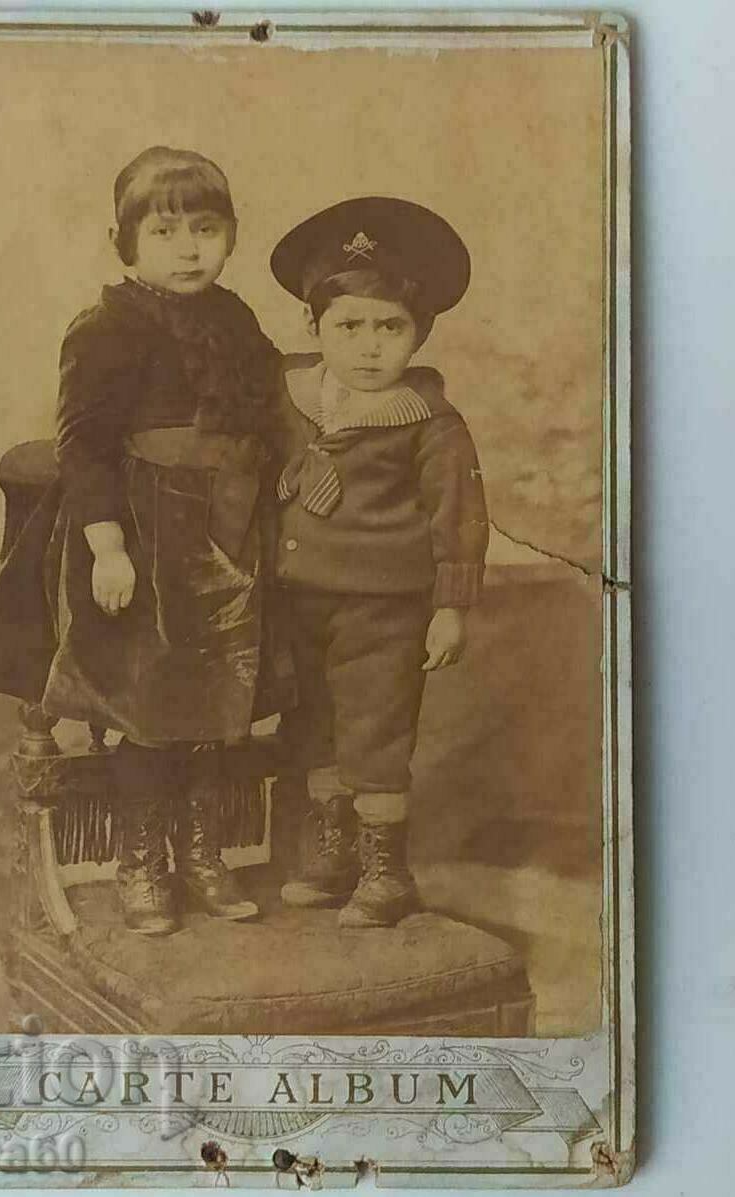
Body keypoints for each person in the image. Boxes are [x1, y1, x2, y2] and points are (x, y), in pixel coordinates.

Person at [0, 146, 286, 935]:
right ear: (125, 241)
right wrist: (107, 546)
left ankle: (203, 852)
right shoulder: (105, 327)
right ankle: (142, 861)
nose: (188, 248)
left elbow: (271, 405)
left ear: (230, 236)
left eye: (205, 230)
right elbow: (83, 446)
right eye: (166, 230)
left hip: (228, 533)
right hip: (142, 538)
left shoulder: (235, 316)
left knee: (221, 699)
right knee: (146, 704)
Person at [268, 196, 489, 928]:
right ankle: (333, 853)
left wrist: (450, 607)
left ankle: (385, 871)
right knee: (315, 728)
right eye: (348, 326)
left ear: (418, 333)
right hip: (298, 599)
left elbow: (457, 516)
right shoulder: (293, 402)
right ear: (312, 327)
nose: (369, 347)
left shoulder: (429, 423)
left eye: (390, 328)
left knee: (376, 731)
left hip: (384, 606)